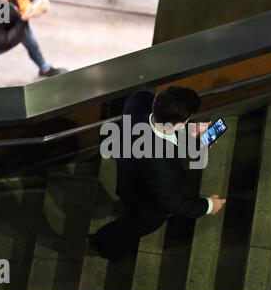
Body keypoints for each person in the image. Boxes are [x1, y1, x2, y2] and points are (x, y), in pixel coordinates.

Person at [88, 86, 227, 261]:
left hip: (130, 175)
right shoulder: (162, 169)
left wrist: (189, 132)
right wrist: (208, 206)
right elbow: (173, 205)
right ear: (178, 123)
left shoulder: (139, 99)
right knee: (139, 225)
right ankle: (103, 241)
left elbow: (164, 133)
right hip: (147, 206)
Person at [0, 0, 65, 77]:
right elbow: (4, 42)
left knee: (33, 47)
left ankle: (45, 68)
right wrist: (23, 20)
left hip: (21, 28)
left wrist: (35, 0)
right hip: (8, 36)